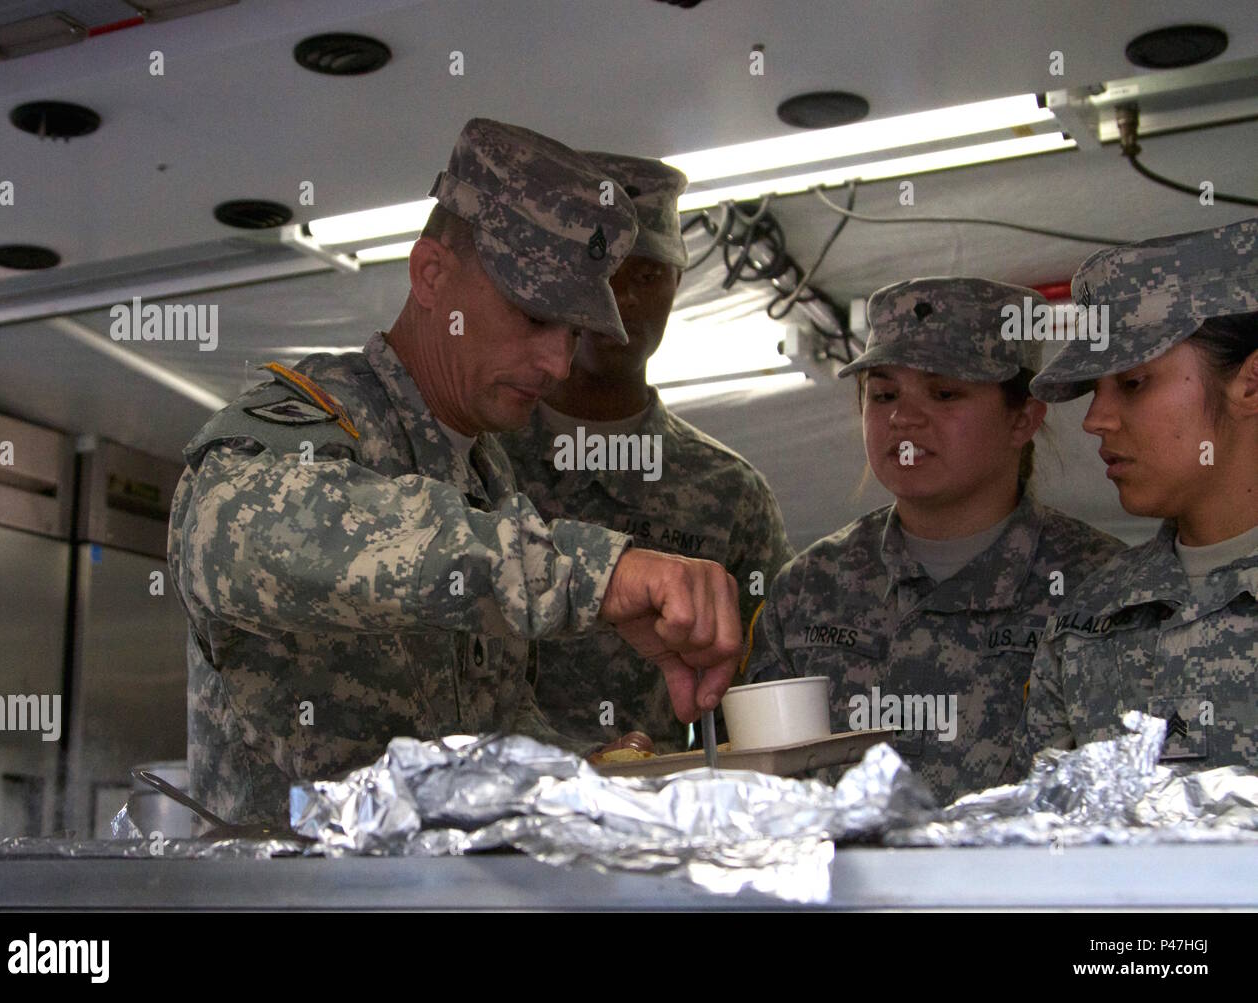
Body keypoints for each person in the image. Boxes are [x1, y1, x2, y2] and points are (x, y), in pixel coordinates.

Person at [167, 119, 743, 827]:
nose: (558, 364)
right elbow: (230, 536)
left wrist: (566, 770)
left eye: (572, 332)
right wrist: (595, 574)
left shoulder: (487, 478)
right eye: (534, 316)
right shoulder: (314, 422)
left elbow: (471, 723)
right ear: (431, 274)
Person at [742, 277, 1125, 804]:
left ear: (1023, 419)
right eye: (883, 394)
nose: (902, 417)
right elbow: (760, 793)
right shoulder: (808, 590)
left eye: (944, 393)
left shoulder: (1105, 588)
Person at [498, 151, 793, 753]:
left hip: (658, 818)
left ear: (679, 284)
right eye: (602, 273)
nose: (624, 301)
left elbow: (764, 689)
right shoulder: (481, 461)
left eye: (649, 275)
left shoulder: (727, 491)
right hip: (482, 816)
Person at [1013, 216, 1258, 774]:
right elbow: (1049, 843)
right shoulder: (1086, 622)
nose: (1096, 420)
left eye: (1132, 382)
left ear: (1250, 383)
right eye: (1094, 391)